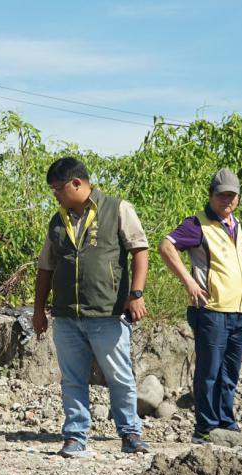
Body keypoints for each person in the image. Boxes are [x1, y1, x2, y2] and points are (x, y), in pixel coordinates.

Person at [32, 156, 150, 457]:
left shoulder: (117, 208)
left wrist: (136, 293)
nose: (55, 194)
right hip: (67, 314)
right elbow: (45, 267)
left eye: (58, 188)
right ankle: (75, 435)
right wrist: (38, 310)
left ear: (77, 183)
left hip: (107, 313)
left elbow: (139, 249)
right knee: (72, 378)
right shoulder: (58, 220)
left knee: (119, 376)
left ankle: (130, 432)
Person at [158, 168, 242, 443]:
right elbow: (166, 246)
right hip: (212, 311)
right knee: (209, 371)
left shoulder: (235, 224)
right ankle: (205, 428)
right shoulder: (197, 225)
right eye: (222, 196)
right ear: (211, 195)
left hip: (238, 311)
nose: (227, 201)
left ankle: (226, 422)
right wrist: (188, 281)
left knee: (230, 372)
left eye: (232, 196)